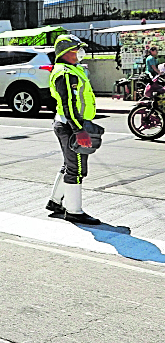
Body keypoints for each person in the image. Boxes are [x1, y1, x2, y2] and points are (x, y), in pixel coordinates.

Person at [47, 35, 102, 225]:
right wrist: (79, 131)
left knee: (69, 165)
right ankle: (74, 211)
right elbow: (68, 104)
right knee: (76, 169)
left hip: (68, 123)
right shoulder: (65, 73)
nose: (80, 52)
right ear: (65, 53)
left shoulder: (71, 69)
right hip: (71, 126)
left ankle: (55, 202)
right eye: (76, 49)